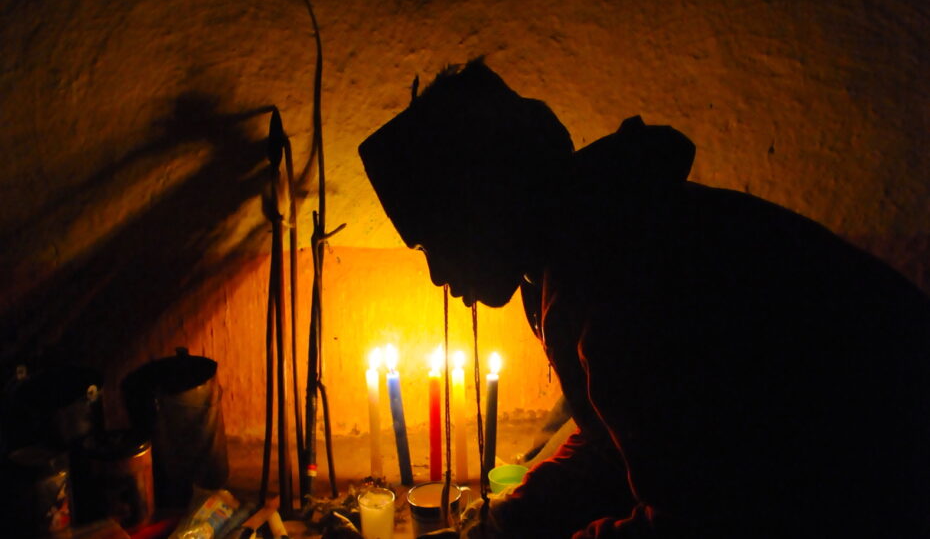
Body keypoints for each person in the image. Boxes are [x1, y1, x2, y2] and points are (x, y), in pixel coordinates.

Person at [357, 58, 930, 538]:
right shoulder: (601, 235)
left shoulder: (629, 279)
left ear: (487, 207)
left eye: (434, 240)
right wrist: (512, 523)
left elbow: (697, 522)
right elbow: (619, 442)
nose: (435, 274)